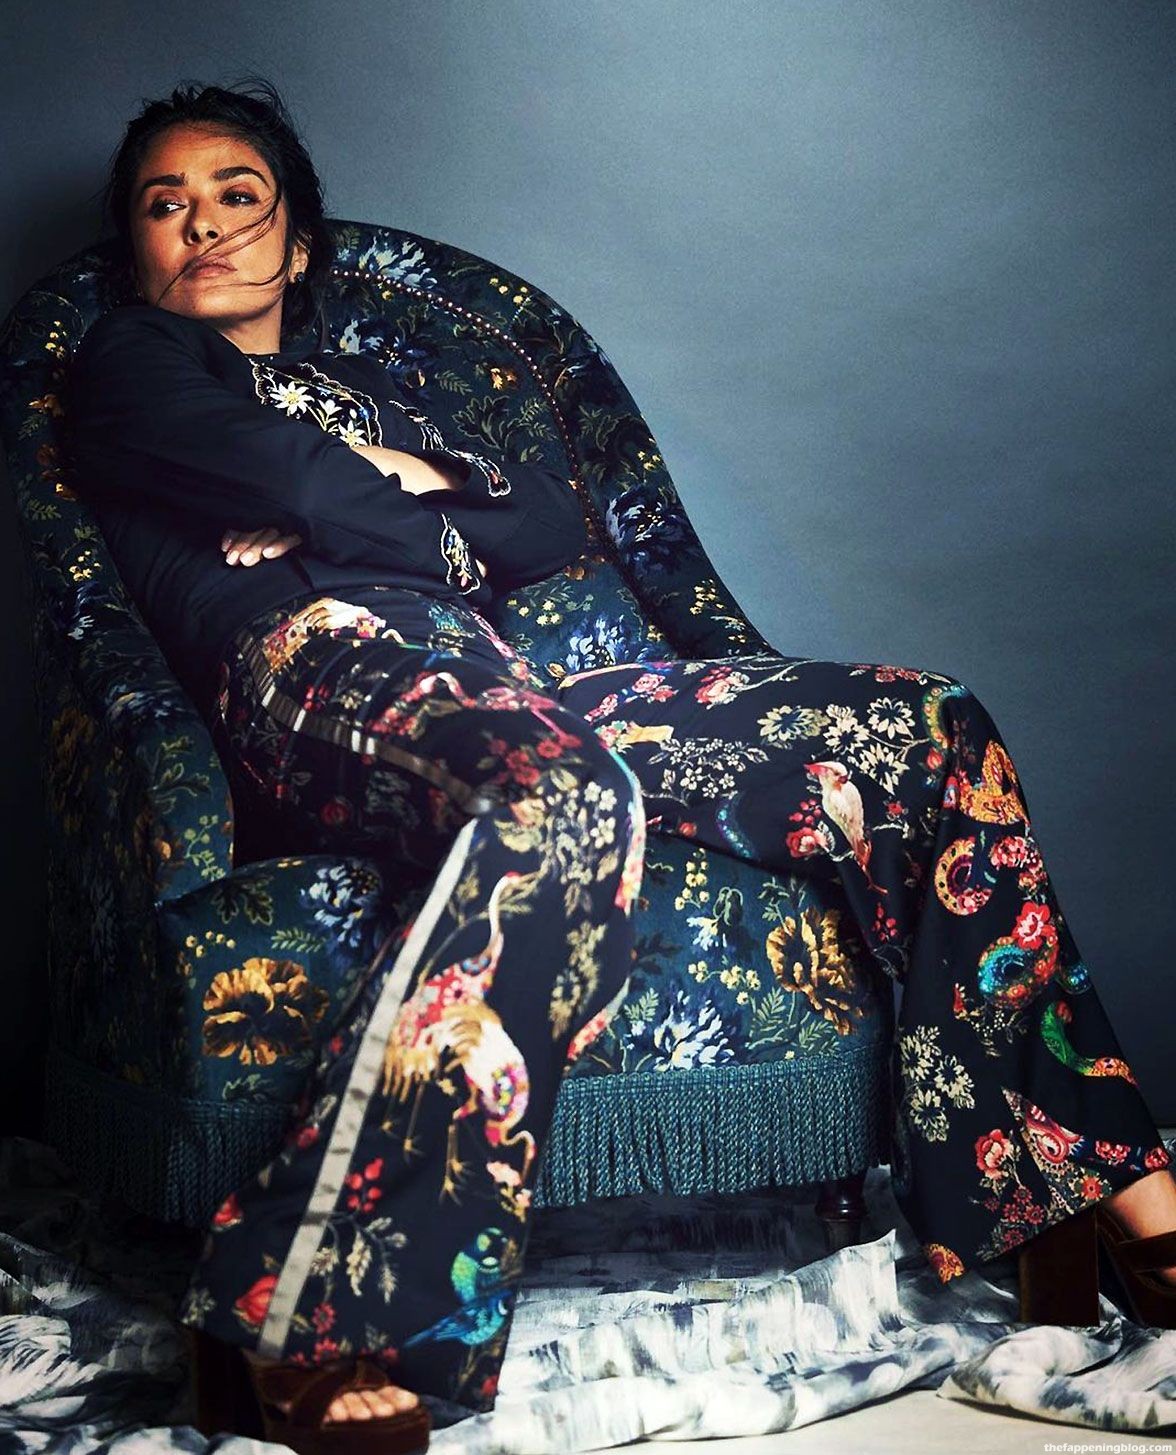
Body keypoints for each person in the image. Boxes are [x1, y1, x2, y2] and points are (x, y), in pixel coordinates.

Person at [66, 78, 1176, 1450]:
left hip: (514, 680)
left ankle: (1095, 1193)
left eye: (239, 194)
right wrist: (379, 497)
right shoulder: (130, 361)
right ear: (138, 249)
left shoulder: (384, 389)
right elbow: (308, 493)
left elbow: (545, 522)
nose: (204, 225)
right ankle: (306, 1309)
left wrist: (380, 488)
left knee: (925, 726)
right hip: (319, 656)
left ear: (296, 240)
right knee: (564, 800)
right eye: (165, 205)